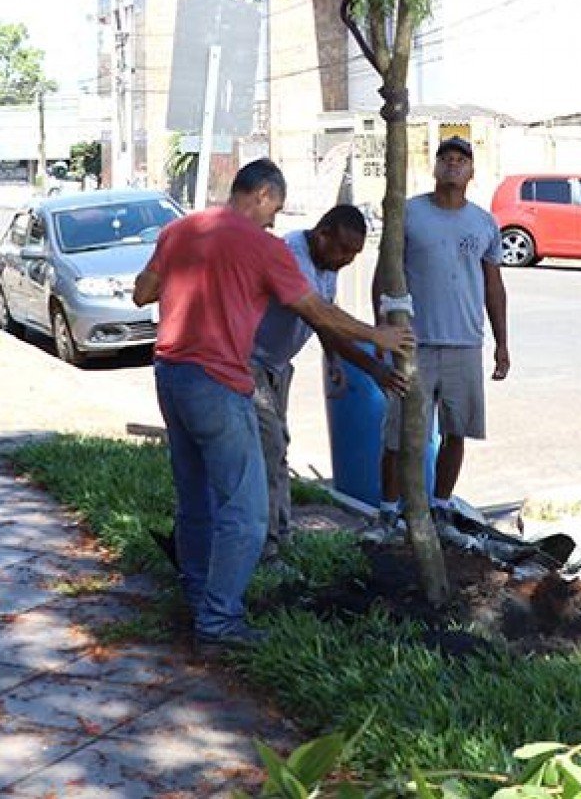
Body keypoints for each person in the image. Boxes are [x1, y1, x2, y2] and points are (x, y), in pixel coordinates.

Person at [133, 158, 413, 648]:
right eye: (274, 209)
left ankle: (199, 597)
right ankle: (219, 620)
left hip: (170, 375)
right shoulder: (265, 248)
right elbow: (316, 311)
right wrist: (377, 336)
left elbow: (143, 292)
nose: (274, 221)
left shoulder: (180, 230)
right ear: (261, 194)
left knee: (195, 496)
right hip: (219, 382)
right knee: (246, 509)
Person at [248, 204, 401, 556]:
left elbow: (323, 324)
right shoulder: (292, 255)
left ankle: (279, 534)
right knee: (271, 449)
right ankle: (268, 548)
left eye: (355, 254)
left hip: (278, 366)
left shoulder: (327, 263)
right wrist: (376, 341)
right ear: (322, 234)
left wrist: (334, 357)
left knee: (276, 452)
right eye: (344, 249)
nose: (347, 259)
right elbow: (321, 312)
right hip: (249, 362)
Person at [381, 135, 508, 515]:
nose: (453, 164)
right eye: (446, 158)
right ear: (434, 167)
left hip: (465, 343)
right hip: (413, 342)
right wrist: (381, 327)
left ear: (472, 171)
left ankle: (440, 506)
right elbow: (385, 272)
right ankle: (388, 511)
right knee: (400, 435)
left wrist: (502, 344)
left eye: (461, 159)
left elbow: (494, 286)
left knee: (456, 432)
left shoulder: (484, 223)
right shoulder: (408, 213)